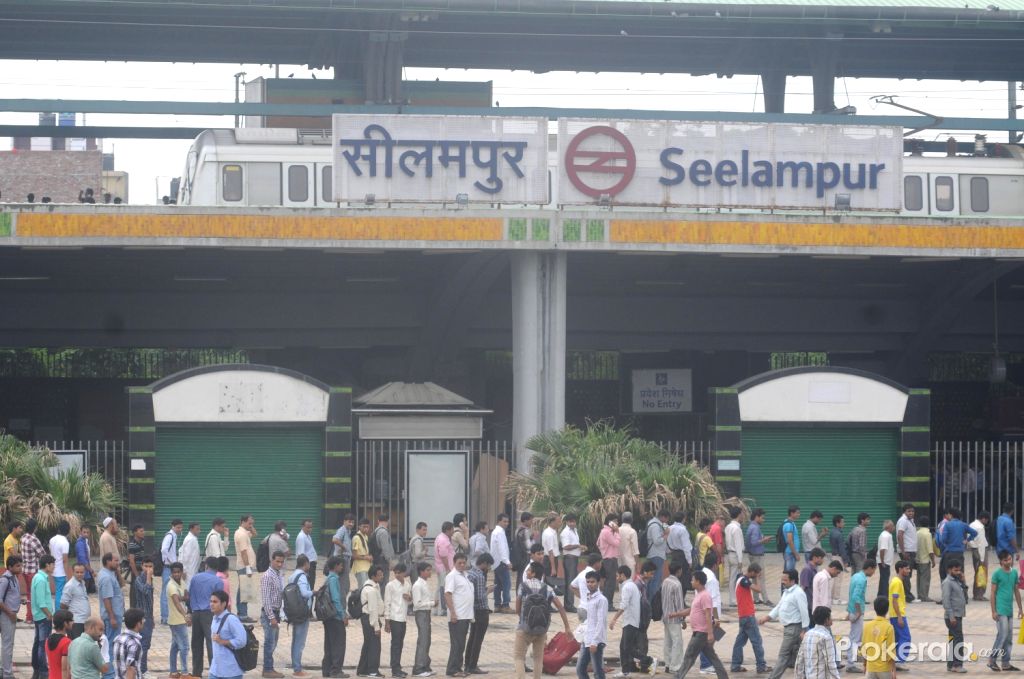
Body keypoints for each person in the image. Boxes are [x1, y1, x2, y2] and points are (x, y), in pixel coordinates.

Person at [515, 562, 569, 679]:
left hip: (524, 628)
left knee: (519, 657)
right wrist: (567, 627)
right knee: (538, 659)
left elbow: (517, 608)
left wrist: (523, 619)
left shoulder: (523, 586)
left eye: (529, 570)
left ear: (534, 573)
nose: (527, 572)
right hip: (541, 629)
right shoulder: (548, 588)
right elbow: (560, 607)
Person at [671, 570, 728, 679]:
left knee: (689, 656)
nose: (691, 582)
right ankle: (724, 677)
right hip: (700, 632)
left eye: (693, 580)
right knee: (713, 657)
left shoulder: (705, 596)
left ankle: (678, 676)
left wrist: (710, 634)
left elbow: (708, 614)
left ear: (698, 581)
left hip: (701, 633)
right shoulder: (699, 595)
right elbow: (691, 610)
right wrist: (676, 614)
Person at [759, 569, 809, 679]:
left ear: (793, 580)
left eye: (785, 580)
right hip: (789, 629)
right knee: (798, 657)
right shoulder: (787, 592)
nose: (782, 582)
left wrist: (804, 630)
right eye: (782, 579)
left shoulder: (798, 593)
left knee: (783, 656)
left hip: (794, 629)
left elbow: (804, 612)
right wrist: (767, 617)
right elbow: (779, 607)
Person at [729, 562, 769, 674]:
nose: (757, 576)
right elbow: (758, 589)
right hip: (748, 616)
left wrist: (754, 576)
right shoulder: (744, 581)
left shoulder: (741, 578)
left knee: (739, 642)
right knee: (757, 641)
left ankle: (735, 665)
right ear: (752, 572)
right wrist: (757, 579)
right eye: (756, 574)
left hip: (743, 616)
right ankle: (761, 666)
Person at [989, 550, 1023, 671]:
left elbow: (1016, 591)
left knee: (1009, 638)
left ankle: (1006, 663)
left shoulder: (1014, 572)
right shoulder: (997, 574)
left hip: (1009, 610)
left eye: (1009, 559)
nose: (1008, 561)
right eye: (1005, 560)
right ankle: (992, 660)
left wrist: (1020, 608)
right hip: (1000, 609)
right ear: (1001, 562)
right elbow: (992, 593)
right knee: (1002, 635)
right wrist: (993, 611)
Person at [189, 557, 222, 679]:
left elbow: (190, 595)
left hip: (196, 613)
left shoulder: (195, 577)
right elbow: (219, 601)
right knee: (211, 643)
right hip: (210, 615)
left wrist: (190, 611)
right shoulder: (218, 581)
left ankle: (197, 673)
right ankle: (214, 672)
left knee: (196, 644)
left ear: (206, 565)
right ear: (217, 567)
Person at [444, 554, 473, 678]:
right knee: (457, 644)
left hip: (466, 615)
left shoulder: (465, 575)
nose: (462, 565)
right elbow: (448, 594)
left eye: (463, 563)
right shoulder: (452, 576)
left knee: (461, 644)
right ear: (454, 563)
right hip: (458, 616)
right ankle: (452, 669)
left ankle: (458, 667)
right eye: (459, 563)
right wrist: (453, 613)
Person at [609, 565, 641, 677]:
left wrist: (614, 619)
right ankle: (625, 671)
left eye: (618, 576)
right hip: (631, 620)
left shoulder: (627, 587)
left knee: (627, 648)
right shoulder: (632, 585)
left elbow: (623, 605)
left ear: (623, 575)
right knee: (624, 647)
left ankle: (649, 660)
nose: (617, 578)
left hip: (630, 621)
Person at [845, 559, 876, 674]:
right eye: (874, 570)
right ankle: (850, 664)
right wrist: (858, 612)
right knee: (855, 638)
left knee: (855, 636)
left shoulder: (856, 576)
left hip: (852, 610)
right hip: (856, 611)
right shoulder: (862, 579)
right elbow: (856, 596)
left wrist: (849, 611)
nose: (873, 573)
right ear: (870, 568)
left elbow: (850, 594)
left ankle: (853, 661)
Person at [463, 554, 493, 675]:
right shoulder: (480, 575)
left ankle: (468, 664)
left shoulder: (471, 573)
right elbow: (480, 597)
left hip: (472, 610)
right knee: (478, 640)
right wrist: (488, 591)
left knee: (472, 638)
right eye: (489, 565)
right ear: (484, 563)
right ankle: (473, 665)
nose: (489, 568)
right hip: (481, 610)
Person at [576, 570, 607, 679]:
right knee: (580, 669)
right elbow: (590, 620)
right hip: (586, 639)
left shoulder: (601, 600)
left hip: (596, 641)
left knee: (598, 671)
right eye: (588, 582)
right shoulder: (589, 597)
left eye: (592, 582)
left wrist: (595, 642)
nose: (590, 584)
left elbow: (600, 621)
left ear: (598, 583)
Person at [794, 607, 840, 679]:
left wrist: (799, 676)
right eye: (830, 617)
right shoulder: (826, 637)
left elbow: (799, 660)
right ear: (826, 620)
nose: (832, 619)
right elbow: (830, 663)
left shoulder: (807, 634)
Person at [260, 551, 287, 679]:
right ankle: (267, 669)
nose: (280, 564)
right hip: (269, 614)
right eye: (277, 561)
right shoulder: (267, 576)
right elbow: (266, 600)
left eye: (282, 562)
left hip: (276, 613)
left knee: (273, 642)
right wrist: (271, 618)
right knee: (269, 642)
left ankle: (269, 667)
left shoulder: (277, 574)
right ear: (272, 560)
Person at [209, 591, 247, 679]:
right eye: (211, 601)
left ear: (223, 604)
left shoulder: (231, 619)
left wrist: (222, 641)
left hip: (231, 671)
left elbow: (242, 641)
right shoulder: (214, 618)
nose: (211, 604)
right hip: (215, 669)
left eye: (215, 602)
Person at [321, 557, 348, 679]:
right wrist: (343, 615)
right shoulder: (333, 580)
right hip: (335, 617)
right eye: (341, 565)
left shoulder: (328, 579)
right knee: (338, 644)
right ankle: (336, 671)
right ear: (336, 566)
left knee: (329, 644)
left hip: (328, 617)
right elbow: (336, 599)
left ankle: (327, 670)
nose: (342, 568)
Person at [287, 555, 314, 678]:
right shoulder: (302, 576)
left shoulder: (292, 575)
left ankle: (295, 665)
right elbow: (304, 593)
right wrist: (313, 592)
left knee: (295, 640)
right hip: (302, 612)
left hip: (293, 611)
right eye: (309, 564)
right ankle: (297, 669)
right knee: (300, 641)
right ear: (306, 564)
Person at [384, 563, 412, 678]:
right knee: (395, 644)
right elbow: (387, 602)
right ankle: (395, 669)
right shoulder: (390, 585)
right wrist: (387, 621)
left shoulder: (407, 585)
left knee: (400, 643)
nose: (397, 574)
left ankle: (398, 666)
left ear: (404, 573)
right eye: (395, 572)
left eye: (399, 572)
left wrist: (410, 599)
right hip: (394, 618)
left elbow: (410, 601)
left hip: (403, 618)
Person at [941, 559, 968, 674]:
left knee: (953, 640)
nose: (958, 572)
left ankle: (951, 664)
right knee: (958, 640)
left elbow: (964, 595)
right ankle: (957, 665)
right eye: (955, 570)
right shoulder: (947, 582)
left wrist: (963, 581)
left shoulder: (957, 581)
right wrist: (951, 616)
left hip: (958, 615)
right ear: (949, 570)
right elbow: (946, 601)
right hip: (953, 616)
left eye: (959, 570)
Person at [358, 565, 385, 678]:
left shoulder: (372, 585)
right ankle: (372, 670)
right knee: (374, 646)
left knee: (368, 644)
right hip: (370, 619)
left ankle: (363, 670)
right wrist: (376, 627)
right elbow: (373, 609)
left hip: (367, 618)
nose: (382, 576)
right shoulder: (371, 590)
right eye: (380, 574)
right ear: (373, 576)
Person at [660, 560, 686, 673]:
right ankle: (675, 666)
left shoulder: (665, 581)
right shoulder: (677, 584)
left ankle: (667, 663)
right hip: (674, 617)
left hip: (665, 615)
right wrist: (682, 619)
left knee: (668, 641)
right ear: (679, 571)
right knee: (677, 642)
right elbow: (679, 604)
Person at [937, 510, 977, 584]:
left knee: (948, 572)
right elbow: (974, 532)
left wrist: (946, 544)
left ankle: (949, 591)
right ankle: (962, 593)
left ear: (951, 515)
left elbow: (943, 539)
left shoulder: (947, 525)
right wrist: (967, 540)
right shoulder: (963, 525)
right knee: (960, 572)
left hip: (949, 552)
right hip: (959, 553)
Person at [32, 555, 56, 679]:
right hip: (43, 617)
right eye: (53, 564)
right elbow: (41, 602)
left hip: (39, 616)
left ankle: (36, 669)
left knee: (38, 643)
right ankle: (43, 672)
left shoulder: (38, 577)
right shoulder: (41, 579)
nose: (54, 567)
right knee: (42, 645)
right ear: (47, 565)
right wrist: (49, 615)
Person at [860, 598, 895, 679]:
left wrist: (865, 665)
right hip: (884, 669)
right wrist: (893, 670)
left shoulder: (867, 626)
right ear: (887, 609)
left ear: (875, 609)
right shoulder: (888, 627)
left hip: (870, 668)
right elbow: (891, 651)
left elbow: (864, 648)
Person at [165, 563, 189, 679]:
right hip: (177, 621)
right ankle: (184, 673)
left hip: (177, 620)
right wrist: (186, 616)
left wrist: (183, 598)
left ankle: (173, 672)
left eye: (178, 572)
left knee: (175, 647)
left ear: (181, 571)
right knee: (184, 647)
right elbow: (177, 602)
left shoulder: (181, 582)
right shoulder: (171, 586)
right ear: (171, 573)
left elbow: (186, 596)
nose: (176, 574)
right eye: (174, 572)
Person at [411, 562, 436, 677]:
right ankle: (418, 668)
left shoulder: (424, 583)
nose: (430, 572)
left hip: (426, 613)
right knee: (423, 640)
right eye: (427, 570)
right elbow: (417, 604)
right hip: (421, 613)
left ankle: (425, 665)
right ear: (421, 571)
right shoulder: (417, 585)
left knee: (427, 640)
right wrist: (432, 603)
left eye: (430, 570)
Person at [887, 560, 911, 672]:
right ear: (900, 569)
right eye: (906, 568)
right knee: (906, 637)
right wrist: (900, 616)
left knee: (897, 638)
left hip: (894, 615)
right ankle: (900, 661)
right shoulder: (897, 582)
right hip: (898, 615)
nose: (908, 571)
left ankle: (895, 660)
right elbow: (894, 600)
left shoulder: (896, 581)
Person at [131, 560, 154, 676]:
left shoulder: (150, 579)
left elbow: (150, 600)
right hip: (142, 617)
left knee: (147, 644)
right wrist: (149, 577)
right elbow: (145, 591)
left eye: (150, 566)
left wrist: (153, 617)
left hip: (149, 616)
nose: (148, 569)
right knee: (143, 644)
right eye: (146, 566)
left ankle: (142, 668)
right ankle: (143, 670)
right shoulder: (139, 580)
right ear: (142, 566)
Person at [21, 520, 46, 624]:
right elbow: (42, 554)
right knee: (35, 595)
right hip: (33, 570)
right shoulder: (33, 539)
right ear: (34, 527)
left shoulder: (23, 537)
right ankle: (33, 617)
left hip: (25, 569)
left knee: (29, 594)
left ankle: (29, 616)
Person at [746, 509, 772, 606]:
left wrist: (763, 540)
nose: (763, 520)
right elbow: (754, 542)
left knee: (755, 577)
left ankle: (756, 599)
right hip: (757, 556)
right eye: (762, 518)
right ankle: (766, 599)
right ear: (757, 517)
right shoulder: (755, 528)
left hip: (753, 555)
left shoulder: (751, 527)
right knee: (761, 577)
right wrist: (764, 540)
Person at [233, 514, 257, 622]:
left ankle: (241, 613)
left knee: (243, 590)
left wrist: (251, 527)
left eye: (252, 523)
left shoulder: (244, 532)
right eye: (249, 523)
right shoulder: (241, 534)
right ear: (243, 521)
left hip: (246, 566)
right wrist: (247, 567)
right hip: (244, 566)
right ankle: (243, 614)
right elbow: (243, 552)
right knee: (244, 591)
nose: (251, 525)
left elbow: (255, 534)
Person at [0, 556, 21, 679]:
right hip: (7, 616)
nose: (20, 568)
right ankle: (7, 673)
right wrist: (10, 613)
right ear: (10, 567)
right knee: (7, 644)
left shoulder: (14, 578)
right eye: (17, 566)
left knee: (8, 644)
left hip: (11, 615)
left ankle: (3, 670)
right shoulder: (5, 580)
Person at [97, 553, 123, 649]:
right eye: (115, 561)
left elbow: (122, 584)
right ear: (108, 561)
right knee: (111, 645)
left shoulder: (110, 574)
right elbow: (106, 599)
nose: (118, 563)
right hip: (112, 617)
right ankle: (109, 664)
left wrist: (118, 572)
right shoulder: (106, 578)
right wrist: (112, 617)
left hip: (115, 615)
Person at [160, 520, 183, 625]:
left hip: (170, 567)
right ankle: (164, 617)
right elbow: (164, 550)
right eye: (177, 527)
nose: (179, 529)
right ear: (172, 526)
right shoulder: (170, 536)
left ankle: (167, 616)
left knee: (170, 591)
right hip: (168, 567)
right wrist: (170, 562)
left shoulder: (174, 536)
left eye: (180, 527)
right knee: (165, 592)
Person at [561, 514, 586, 611]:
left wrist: (580, 547)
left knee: (571, 581)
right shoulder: (565, 532)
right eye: (570, 521)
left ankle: (569, 604)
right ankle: (569, 605)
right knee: (570, 582)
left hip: (574, 558)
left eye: (574, 521)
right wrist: (578, 546)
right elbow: (566, 546)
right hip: (569, 558)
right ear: (566, 522)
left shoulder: (575, 530)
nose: (572, 523)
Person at [668, 513, 694, 602]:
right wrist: (690, 561)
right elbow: (686, 546)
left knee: (675, 577)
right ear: (684, 519)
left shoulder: (669, 528)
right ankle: (681, 600)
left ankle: (674, 599)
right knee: (684, 579)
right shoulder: (683, 530)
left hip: (674, 554)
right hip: (682, 555)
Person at [112, 609, 144, 679]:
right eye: (143, 620)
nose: (144, 621)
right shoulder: (134, 643)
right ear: (138, 623)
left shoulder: (117, 638)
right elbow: (130, 669)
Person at [596, 515, 620, 612]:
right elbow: (616, 543)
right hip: (610, 559)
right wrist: (617, 533)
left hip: (608, 558)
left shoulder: (604, 531)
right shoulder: (607, 532)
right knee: (611, 583)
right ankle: (608, 604)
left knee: (609, 582)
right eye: (615, 521)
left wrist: (603, 550)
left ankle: (606, 603)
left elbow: (597, 543)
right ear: (610, 522)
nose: (617, 523)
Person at [60, 563, 90, 640]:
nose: (79, 574)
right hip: (76, 621)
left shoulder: (82, 583)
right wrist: (68, 620)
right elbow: (63, 604)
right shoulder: (70, 585)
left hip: (84, 620)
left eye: (82, 572)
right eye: (77, 572)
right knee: (76, 646)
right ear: (73, 572)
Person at [895, 505, 917, 604]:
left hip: (910, 550)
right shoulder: (903, 521)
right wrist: (903, 551)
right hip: (906, 551)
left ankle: (905, 594)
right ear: (904, 512)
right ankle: (908, 597)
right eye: (909, 511)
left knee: (907, 574)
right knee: (906, 574)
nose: (911, 513)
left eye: (912, 511)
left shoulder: (910, 520)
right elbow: (900, 535)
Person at [490, 515, 512, 613]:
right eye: (504, 521)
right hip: (501, 562)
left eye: (507, 522)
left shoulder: (496, 532)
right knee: (506, 584)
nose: (506, 523)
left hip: (496, 562)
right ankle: (506, 605)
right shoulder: (499, 532)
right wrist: (507, 561)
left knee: (498, 585)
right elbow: (502, 548)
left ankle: (497, 605)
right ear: (499, 521)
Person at [724, 507, 745, 607]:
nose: (743, 516)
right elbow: (738, 545)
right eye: (742, 513)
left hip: (730, 554)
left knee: (732, 578)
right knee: (734, 578)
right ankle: (733, 600)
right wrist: (740, 560)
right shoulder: (736, 528)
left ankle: (733, 599)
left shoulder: (728, 527)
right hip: (735, 555)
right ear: (739, 515)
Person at [332, 514, 356, 600]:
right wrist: (343, 547)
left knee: (345, 584)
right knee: (343, 584)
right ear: (344, 522)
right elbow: (334, 539)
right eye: (349, 522)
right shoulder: (342, 530)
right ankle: (341, 608)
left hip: (346, 559)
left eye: (353, 522)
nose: (351, 524)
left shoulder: (348, 531)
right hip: (342, 559)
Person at [434, 523, 455, 618]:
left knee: (440, 587)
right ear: (448, 530)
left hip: (441, 567)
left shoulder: (441, 537)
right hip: (444, 567)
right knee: (443, 588)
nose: (453, 531)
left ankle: (436, 608)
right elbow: (443, 556)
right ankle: (443, 609)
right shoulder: (443, 540)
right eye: (452, 530)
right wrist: (448, 569)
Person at [969, 511, 991, 601]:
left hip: (974, 550)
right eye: (987, 521)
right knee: (982, 572)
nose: (986, 523)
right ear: (984, 519)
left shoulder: (972, 524)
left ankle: (976, 593)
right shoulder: (980, 527)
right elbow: (981, 544)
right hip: (980, 550)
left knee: (977, 572)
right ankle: (980, 594)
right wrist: (982, 558)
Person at [827, 516, 848, 607]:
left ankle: (832, 597)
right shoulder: (839, 534)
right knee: (838, 578)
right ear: (837, 523)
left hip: (834, 556)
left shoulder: (832, 532)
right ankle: (836, 598)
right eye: (842, 522)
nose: (844, 524)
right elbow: (842, 549)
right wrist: (845, 560)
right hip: (839, 557)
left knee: (834, 578)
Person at [914, 516, 935, 603]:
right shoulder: (928, 534)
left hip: (917, 558)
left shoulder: (917, 533)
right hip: (925, 559)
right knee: (925, 579)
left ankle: (920, 594)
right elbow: (930, 549)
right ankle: (924, 596)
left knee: (919, 578)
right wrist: (933, 560)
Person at [51, 521, 72, 608]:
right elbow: (65, 560)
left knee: (58, 592)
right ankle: (58, 612)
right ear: (68, 530)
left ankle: (58, 611)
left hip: (53, 570)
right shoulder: (65, 542)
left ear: (59, 529)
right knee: (60, 593)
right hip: (61, 572)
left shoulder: (52, 539)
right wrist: (68, 575)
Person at [47, 610, 73, 679]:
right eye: (71, 620)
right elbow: (65, 668)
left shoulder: (48, 640)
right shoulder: (67, 642)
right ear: (65, 623)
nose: (73, 622)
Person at [296, 520, 318, 592]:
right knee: (308, 587)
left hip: (311, 564)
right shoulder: (301, 537)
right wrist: (305, 569)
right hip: (307, 566)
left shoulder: (307, 536)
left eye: (311, 527)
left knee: (311, 585)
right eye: (308, 527)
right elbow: (301, 555)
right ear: (302, 527)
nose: (310, 529)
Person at [372, 516, 395, 585]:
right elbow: (385, 549)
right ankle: (382, 595)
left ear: (378, 521)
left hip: (377, 559)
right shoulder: (383, 532)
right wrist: (390, 561)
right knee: (384, 582)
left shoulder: (375, 531)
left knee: (379, 581)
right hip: (383, 560)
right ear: (388, 521)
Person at [73, 527, 94, 602]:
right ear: (80, 532)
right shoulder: (80, 543)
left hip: (85, 571)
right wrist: (90, 570)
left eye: (87, 532)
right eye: (84, 532)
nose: (86, 534)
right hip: (83, 571)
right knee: (83, 593)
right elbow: (82, 559)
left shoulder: (85, 542)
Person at [876, 521, 894, 598]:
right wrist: (882, 561)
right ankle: (884, 595)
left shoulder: (887, 535)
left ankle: (881, 594)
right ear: (888, 527)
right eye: (893, 526)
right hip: (884, 561)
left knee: (884, 578)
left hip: (885, 561)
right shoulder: (885, 536)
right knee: (885, 579)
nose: (894, 527)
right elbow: (882, 549)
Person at [540, 514, 561, 579]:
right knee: (550, 580)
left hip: (551, 559)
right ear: (552, 522)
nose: (559, 523)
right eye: (558, 521)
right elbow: (550, 552)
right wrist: (553, 568)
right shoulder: (549, 534)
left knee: (551, 580)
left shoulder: (552, 532)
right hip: (550, 560)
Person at [409, 523, 429, 587]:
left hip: (415, 564)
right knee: (418, 585)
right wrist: (425, 551)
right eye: (423, 530)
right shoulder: (418, 540)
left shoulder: (414, 538)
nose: (425, 532)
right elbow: (418, 554)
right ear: (417, 530)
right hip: (417, 565)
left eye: (426, 530)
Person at [783, 507, 802, 572]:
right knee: (789, 573)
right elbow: (790, 541)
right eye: (797, 513)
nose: (799, 514)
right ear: (791, 513)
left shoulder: (791, 523)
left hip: (790, 552)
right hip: (790, 552)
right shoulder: (789, 525)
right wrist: (796, 554)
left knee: (788, 572)